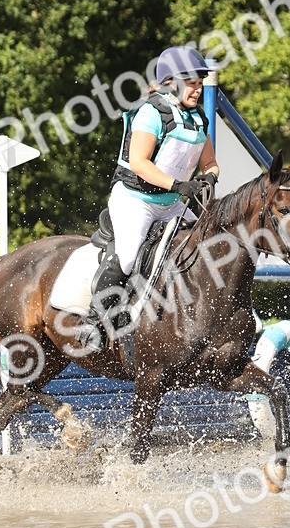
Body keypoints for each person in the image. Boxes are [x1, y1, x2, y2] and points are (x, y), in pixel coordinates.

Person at [76, 45, 220, 350]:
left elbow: (210, 162)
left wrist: (210, 176)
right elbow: (140, 163)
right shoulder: (150, 113)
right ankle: (94, 321)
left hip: (170, 204)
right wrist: (179, 186)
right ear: (173, 83)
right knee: (127, 257)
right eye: (193, 82)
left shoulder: (198, 119)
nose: (198, 89)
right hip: (135, 199)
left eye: (199, 83)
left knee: (211, 243)